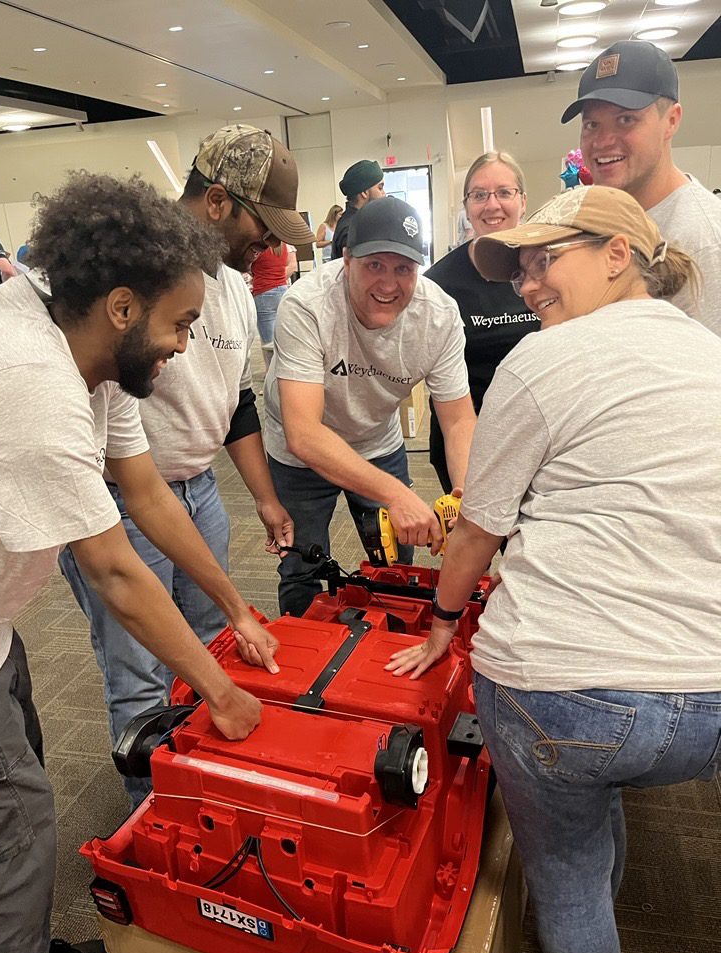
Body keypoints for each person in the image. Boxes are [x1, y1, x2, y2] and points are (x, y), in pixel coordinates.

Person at [386, 184, 721, 953]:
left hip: (560, 688)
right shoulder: (710, 354)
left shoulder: (541, 361)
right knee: (606, 776)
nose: (529, 285)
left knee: (567, 872)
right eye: (523, 268)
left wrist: (440, 624)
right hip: (709, 695)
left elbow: (477, 534)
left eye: (547, 261)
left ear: (619, 254)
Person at [0, 172, 262, 953]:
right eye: (181, 325)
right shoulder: (27, 375)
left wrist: (233, 606)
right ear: (123, 306)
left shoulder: (92, 351)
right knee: (6, 837)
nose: (185, 345)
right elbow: (116, 571)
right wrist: (224, 692)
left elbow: (149, 493)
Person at [58, 125, 312, 807]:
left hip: (190, 492)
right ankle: (158, 812)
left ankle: (204, 790)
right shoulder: (125, 292)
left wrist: (261, 499)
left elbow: (233, 404)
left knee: (207, 647)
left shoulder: (227, 283)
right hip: (117, 505)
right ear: (219, 201)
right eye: (264, 225)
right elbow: (121, 494)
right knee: (141, 672)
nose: (273, 244)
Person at [265, 196, 477, 617]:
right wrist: (396, 493)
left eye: (403, 268)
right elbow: (304, 433)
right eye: (374, 265)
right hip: (298, 457)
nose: (388, 284)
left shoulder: (439, 316)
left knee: (395, 569)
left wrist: (467, 492)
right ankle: (304, 667)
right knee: (302, 568)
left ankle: (385, 653)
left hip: (377, 442)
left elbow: (457, 421)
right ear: (346, 260)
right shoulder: (306, 305)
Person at [564, 39, 721, 336]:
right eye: (592, 125)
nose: (602, 141)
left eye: (626, 119)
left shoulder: (703, 240)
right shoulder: (601, 221)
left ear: (671, 120)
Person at [425, 152, 540, 491]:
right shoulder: (438, 284)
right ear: (466, 206)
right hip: (468, 437)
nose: (492, 205)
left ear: (522, 200)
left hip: (536, 433)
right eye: (480, 195)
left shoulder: (550, 267)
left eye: (504, 192)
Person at [250, 241, 297, 367]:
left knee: (268, 343)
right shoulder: (283, 246)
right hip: (282, 289)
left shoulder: (260, 247)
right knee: (282, 338)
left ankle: (273, 380)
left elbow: (248, 266)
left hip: (264, 292)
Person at [330, 160, 385, 259]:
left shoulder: (356, 222)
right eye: (380, 188)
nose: (384, 193)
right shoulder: (352, 230)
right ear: (364, 192)